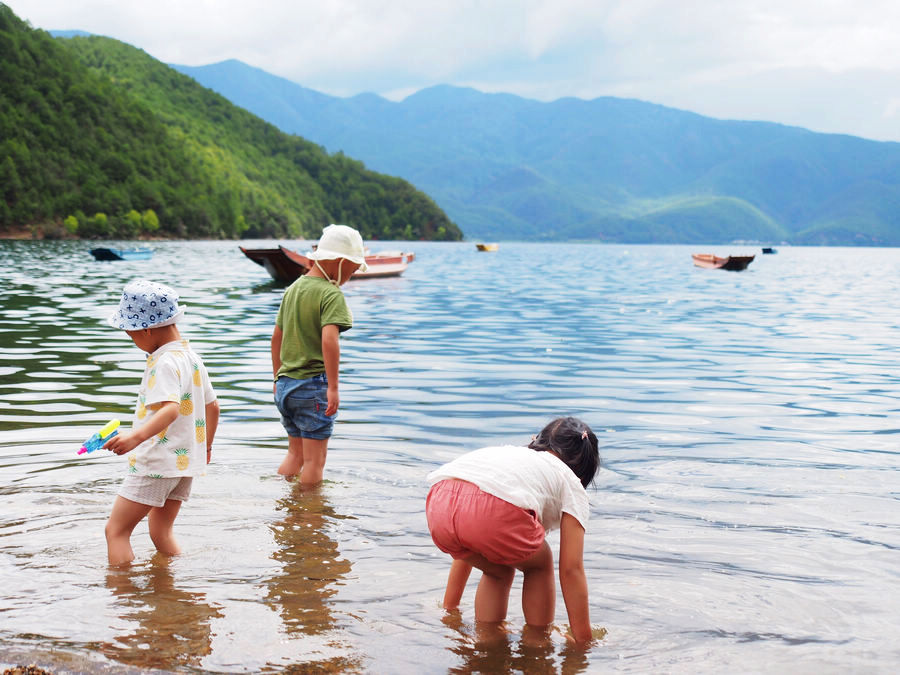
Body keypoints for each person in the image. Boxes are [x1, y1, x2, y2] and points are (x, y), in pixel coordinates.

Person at [426, 417, 600, 646]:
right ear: (582, 471)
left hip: (439, 504)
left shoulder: (509, 458)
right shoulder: (569, 481)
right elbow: (571, 569)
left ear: (538, 441)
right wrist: (583, 639)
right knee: (541, 562)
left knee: (498, 570)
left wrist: (451, 607)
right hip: (489, 512)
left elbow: (468, 542)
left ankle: (488, 638)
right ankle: (537, 642)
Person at [102, 279, 219, 565]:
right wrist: (205, 449)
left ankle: (122, 598)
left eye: (131, 335)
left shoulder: (163, 362)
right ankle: (172, 590)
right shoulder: (192, 358)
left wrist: (135, 437)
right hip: (184, 462)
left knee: (116, 531)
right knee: (161, 531)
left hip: (157, 463)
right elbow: (213, 407)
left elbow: (170, 410)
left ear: (147, 329)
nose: (133, 342)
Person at [271, 224, 367, 484]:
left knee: (295, 454)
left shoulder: (292, 290)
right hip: (313, 387)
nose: (353, 273)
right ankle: (311, 516)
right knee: (316, 461)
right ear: (338, 261)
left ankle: (285, 505)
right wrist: (333, 387)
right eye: (353, 267)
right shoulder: (330, 294)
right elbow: (329, 340)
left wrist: (277, 377)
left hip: (286, 386)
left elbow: (276, 338)